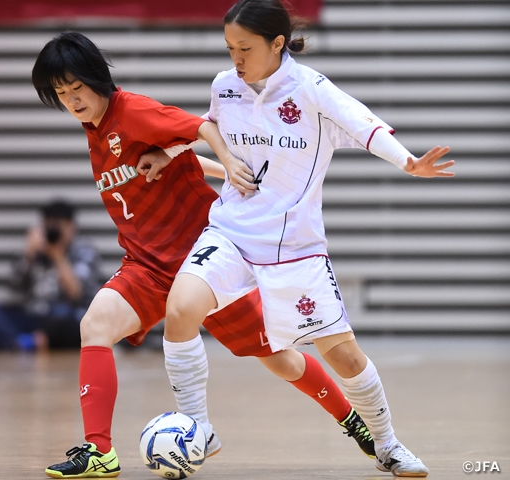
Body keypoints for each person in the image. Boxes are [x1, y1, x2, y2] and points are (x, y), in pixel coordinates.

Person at [31, 31, 375, 479]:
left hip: (202, 266)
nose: (72, 100)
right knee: (94, 325)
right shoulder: (94, 128)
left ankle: (353, 420)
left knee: (282, 359)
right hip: (147, 267)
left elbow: (200, 127)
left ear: (96, 78)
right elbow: (178, 158)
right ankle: (99, 451)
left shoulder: (132, 111)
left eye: (77, 89)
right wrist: (214, 168)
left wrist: (231, 163)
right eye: (61, 94)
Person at [141, 0, 456, 477]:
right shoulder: (225, 87)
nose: (236, 59)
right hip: (231, 230)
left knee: (344, 356)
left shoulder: (311, 90)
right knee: (181, 309)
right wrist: (169, 153)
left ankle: (388, 445)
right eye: (229, 48)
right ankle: (199, 429)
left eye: (245, 48)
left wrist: (407, 162)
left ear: (277, 44)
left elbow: (363, 124)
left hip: (294, 250)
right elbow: (207, 129)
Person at [0, 199, 101, 351]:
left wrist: (57, 256)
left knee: (69, 319)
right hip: (33, 315)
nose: (53, 231)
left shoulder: (83, 251)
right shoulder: (36, 250)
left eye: (59, 226)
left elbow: (76, 293)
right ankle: (20, 343)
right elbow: (15, 287)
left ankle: (6, 341)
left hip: (62, 317)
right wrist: (28, 255)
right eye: (49, 225)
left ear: (72, 228)